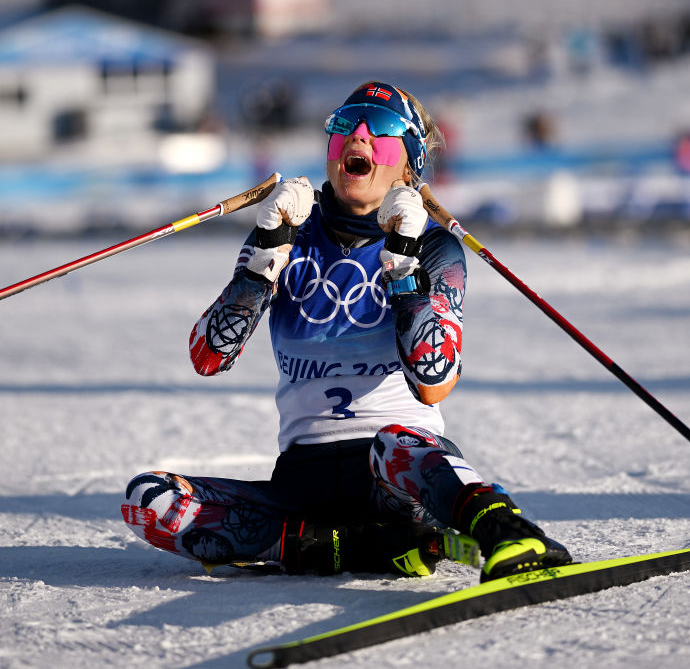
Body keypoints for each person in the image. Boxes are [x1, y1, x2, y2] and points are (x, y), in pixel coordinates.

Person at [121, 81, 572, 582]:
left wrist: (402, 270)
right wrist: (264, 258)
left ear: (408, 165)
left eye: (379, 132)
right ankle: (353, 548)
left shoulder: (434, 246)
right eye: (342, 128)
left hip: (398, 475)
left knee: (396, 444)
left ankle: (507, 533)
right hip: (302, 480)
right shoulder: (289, 229)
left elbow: (433, 379)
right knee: (149, 499)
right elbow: (208, 356)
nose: (357, 139)